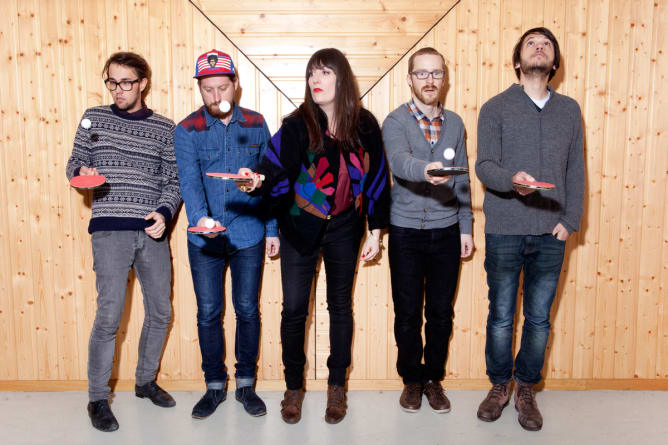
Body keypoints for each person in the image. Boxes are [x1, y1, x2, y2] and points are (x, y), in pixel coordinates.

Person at [239, 48, 390, 425]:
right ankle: (294, 387)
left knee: (340, 307)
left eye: (324, 72)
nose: (315, 80)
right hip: (298, 228)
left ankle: (336, 386)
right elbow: (273, 168)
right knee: (294, 309)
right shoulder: (296, 124)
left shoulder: (365, 125)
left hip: (345, 228)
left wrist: (376, 230)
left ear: (342, 78)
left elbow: (377, 180)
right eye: (311, 74)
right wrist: (257, 180)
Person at [475, 27, 584, 431]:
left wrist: (569, 222)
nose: (539, 47)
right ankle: (499, 385)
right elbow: (484, 165)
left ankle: (525, 389)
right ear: (518, 61)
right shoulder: (495, 107)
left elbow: (577, 170)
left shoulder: (570, 110)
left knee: (538, 319)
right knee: (502, 316)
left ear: (554, 62)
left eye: (547, 44)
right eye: (530, 44)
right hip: (504, 227)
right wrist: (510, 181)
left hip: (550, 232)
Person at [66, 51, 181, 432]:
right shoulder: (92, 118)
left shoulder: (165, 128)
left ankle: (145, 381)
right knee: (109, 315)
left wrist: (164, 214)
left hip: (150, 230)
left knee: (161, 312)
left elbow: (173, 180)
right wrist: (81, 172)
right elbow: (73, 166)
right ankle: (98, 398)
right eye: (112, 82)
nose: (118, 89)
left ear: (143, 83)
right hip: (109, 229)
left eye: (126, 82)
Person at [173, 50, 279, 420]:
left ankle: (246, 385)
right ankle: (214, 386)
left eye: (222, 87)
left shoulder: (257, 122)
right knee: (208, 312)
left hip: (248, 233)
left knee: (247, 310)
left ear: (236, 84)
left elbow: (270, 180)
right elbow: (189, 181)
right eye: (208, 89)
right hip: (205, 238)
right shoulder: (186, 129)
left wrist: (271, 229)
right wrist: (202, 220)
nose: (216, 96)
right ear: (200, 89)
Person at [382, 47, 474, 414]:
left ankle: (433, 379)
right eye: (422, 73)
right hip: (405, 232)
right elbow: (401, 162)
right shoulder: (394, 121)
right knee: (406, 312)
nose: (430, 80)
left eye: (436, 73)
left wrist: (466, 227)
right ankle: (411, 381)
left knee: (440, 312)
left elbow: (464, 178)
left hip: (447, 231)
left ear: (444, 78)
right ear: (409, 79)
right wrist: (425, 170)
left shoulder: (455, 124)